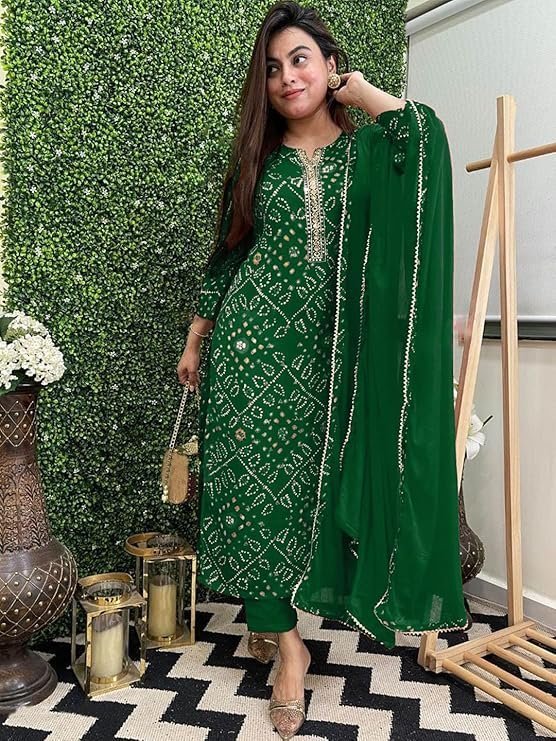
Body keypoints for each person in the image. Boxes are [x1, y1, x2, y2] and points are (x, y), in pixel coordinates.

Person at [177, 2, 468, 737]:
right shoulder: (257, 158)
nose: (286, 77)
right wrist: (198, 335)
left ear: (329, 63)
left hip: (332, 361)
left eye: (300, 59)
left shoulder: (366, 151)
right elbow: (229, 251)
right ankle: (289, 650)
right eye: (273, 67)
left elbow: (426, 144)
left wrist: (361, 93)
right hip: (250, 350)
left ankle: (281, 617)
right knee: (252, 493)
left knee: (309, 493)